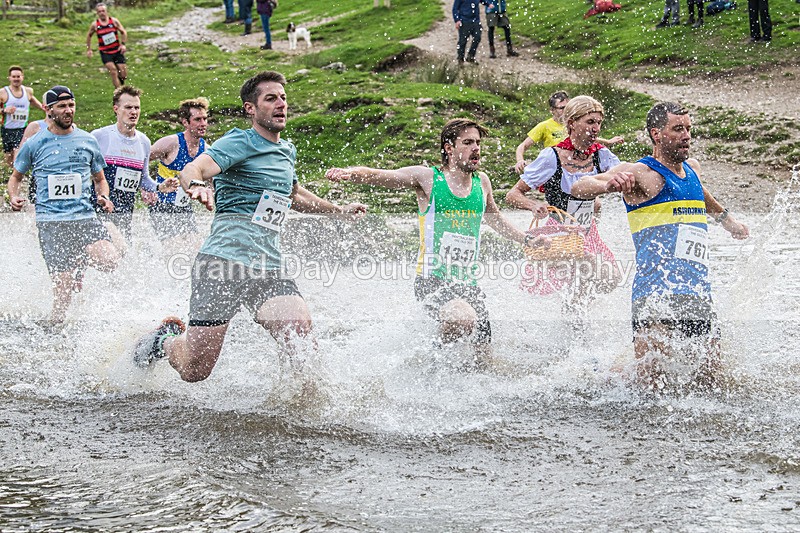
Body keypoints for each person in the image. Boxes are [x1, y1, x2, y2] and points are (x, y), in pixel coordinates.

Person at [132, 71, 367, 383]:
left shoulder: (287, 151)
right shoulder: (239, 142)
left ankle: (300, 411)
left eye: (283, 97)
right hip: (222, 263)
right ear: (250, 109)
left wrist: (337, 210)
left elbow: (292, 194)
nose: (281, 103)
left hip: (267, 265)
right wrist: (197, 185)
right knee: (195, 370)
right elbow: (194, 167)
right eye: (271, 98)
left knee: (297, 328)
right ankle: (161, 341)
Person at [326, 118, 546, 365]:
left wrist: (526, 239)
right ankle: (428, 362)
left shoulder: (482, 182)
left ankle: (445, 370)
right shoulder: (428, 178)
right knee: (461, 319)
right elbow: (381, 175)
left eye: (478, 143)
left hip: (467, 283)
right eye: (468, 142)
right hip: (432, 279)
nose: (476, 148)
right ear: (449, 148)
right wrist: (349, 174)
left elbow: (495, 219)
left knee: (483, 359)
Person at [570, 102, 749, 387]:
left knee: (711, 382)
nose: (686, 135)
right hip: (655, 297)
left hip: (696, 293)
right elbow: (578, 186)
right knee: (650, 388)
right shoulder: (642, 173)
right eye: (678, 129)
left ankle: (610, 375)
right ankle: (597, 380)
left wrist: (728, 221)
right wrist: (609, 184)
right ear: (656, 134)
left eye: (689, 128)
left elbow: (700, 194)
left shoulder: (692, 169)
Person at [7, 86, 121, 324]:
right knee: (63, 293)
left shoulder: (87, 140)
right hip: (51, 222)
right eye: (62, 106)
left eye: (71, 105)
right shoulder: (35, 143)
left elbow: (100, 179)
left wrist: (104, 197)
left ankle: (78, 259)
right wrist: (13, 196)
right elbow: (16, 177)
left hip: (83, 217)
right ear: (49, 110)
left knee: (110, 261)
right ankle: (54, 330)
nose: (68, 110)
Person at [506, 96, 622, 311]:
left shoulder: (602, 155)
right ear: (571, 123)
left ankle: (573, 314)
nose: (596, 128)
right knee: (589, 269)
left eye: (598, 123)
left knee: (610, 279)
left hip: (588, 233)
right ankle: (571, 316)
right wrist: (533, 206)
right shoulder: (552, 157)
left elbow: (626, 173)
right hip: (560, 235)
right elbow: (513, 195)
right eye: (589, 122)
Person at [91, 85, 156, 241]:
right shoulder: (99, 136)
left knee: (122, 255)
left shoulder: (144, 142)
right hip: (99, 210)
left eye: (137, 108)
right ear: (116, 109)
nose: (133, 112)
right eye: (128, 107)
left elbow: (144, 179)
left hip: (125, 213)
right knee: (119, 251)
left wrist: (160, 187)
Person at [148, 97, 209, 257]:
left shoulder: (206, 150)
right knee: (175, 253)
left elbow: (212, 182)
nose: (203, 123)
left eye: (205, 118)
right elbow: (141, 161)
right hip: (161, 206)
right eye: (197, 119)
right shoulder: (171, 143)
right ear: (185, 122)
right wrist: (146, 188)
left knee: (195, 252)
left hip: (184, 208)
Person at [514, 91, 624, 174]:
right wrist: (520, 160)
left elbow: (586, 137)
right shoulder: (544, 126)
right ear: (552, 110)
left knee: (595, 203)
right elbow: (523, 145)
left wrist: (608, 142)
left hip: (578, 162)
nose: (565, 110)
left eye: (568, 106)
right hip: (556, 166)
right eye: (561, 108)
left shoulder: (577, 123)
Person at [1, 66, 45, 168]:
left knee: (18, 150)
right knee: (8, 156)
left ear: (22, 77)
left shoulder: (28, 91)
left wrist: (43, 108)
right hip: (7, 129)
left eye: (18, 76)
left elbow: (32, 100)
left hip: (22, 129)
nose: (16, 79)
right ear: (9, 78)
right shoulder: (3, 92)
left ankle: (18, 174)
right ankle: (11, 173)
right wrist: (4, 110)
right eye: (14, 76)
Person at [86, 3, 129, 89]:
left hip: (117, 50)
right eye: (99, 11)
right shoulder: (95, 25)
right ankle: (119, 92)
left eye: (103, 11)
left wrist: (123, 44)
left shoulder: (114, 21)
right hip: (105, 52)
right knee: (113, 71)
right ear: (97, 13)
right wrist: (89, 49)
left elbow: (123, 32)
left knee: (123, 75)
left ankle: (121, 83)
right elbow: (89, 36)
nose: (102, 13)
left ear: (107, 11)